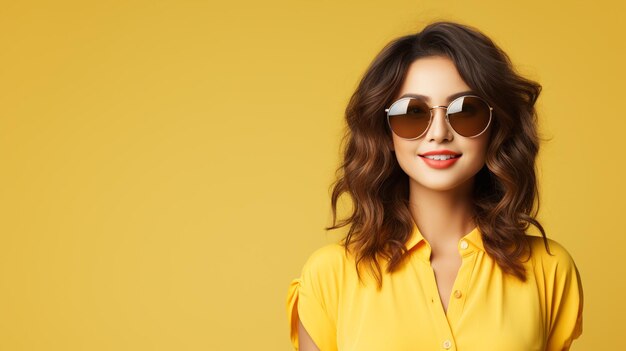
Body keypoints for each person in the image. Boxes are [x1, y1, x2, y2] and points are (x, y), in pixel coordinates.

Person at [286, 21, 583, 351]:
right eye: (412, 113)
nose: (439, 132)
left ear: (495, 126)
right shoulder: (330, 275)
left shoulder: (549, 269)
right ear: (385, 132)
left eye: (465, 110)